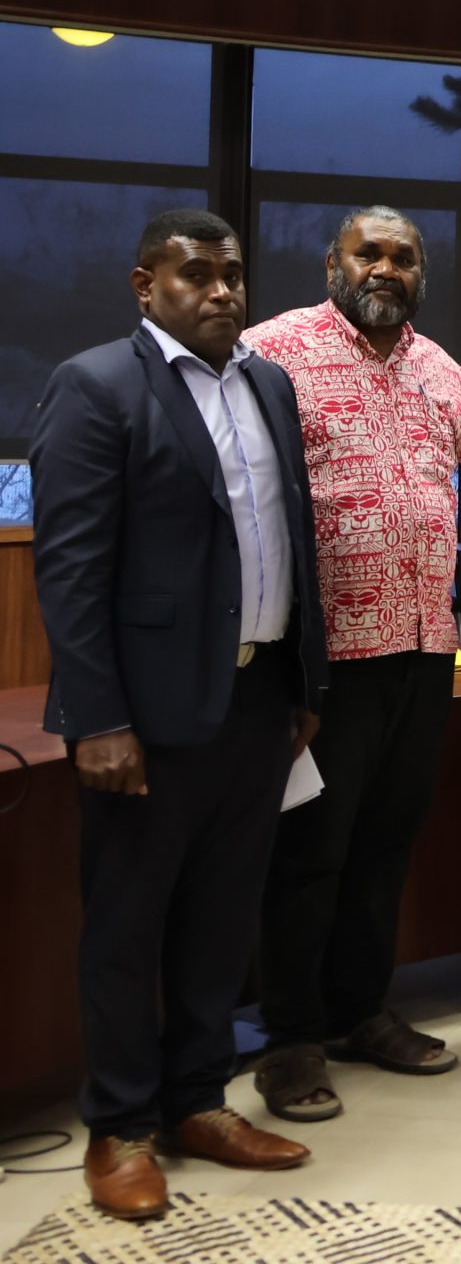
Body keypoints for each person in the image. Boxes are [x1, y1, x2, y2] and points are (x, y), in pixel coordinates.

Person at [32, 209, 328, 1221]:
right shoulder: (98, 385)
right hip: (147, 715)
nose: (220, 292)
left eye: (232, 274)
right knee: (129, 923)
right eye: (195, 274)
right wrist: (96, 715)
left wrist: (303, 687)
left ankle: (199, 1100)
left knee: (220, 919)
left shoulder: (269, 384)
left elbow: (294, 538)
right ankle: (120, 1127)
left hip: (256, 699)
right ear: (143, 283)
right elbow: (70, 570)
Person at [243, 206, 461, 1122]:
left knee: (384, 845)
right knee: (310, 854)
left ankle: (361, 1011)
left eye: (403, 255)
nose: (386, 267)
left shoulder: (436, 366)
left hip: (428, 652)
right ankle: (288, 1040)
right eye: (371, 252)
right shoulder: (271, 351)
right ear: (333, 262)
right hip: (326, 664)